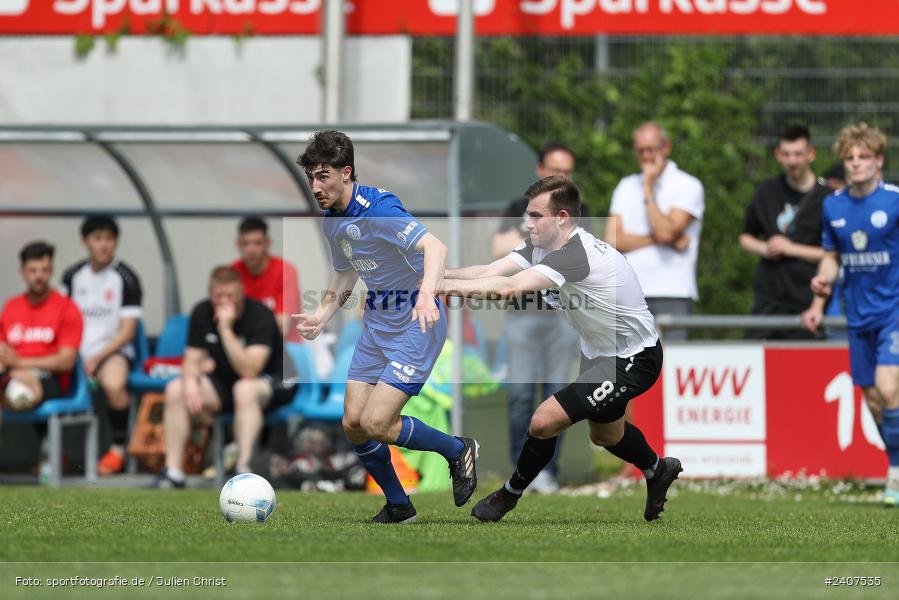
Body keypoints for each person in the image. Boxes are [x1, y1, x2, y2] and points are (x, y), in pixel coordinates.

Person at [441, 176, 682, 523]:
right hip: (600, 353)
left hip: (633, 359)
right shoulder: (541, 245)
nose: (528, 223)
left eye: (536, 215)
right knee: (606, 436)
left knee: (543, 421)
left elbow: (508, 288)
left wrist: (442, 287)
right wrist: (434, 273)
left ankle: (507, 496)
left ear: (563, 218)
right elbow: (490, 270)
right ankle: (657, 469)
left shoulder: (574, 254)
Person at [294, 129, 478, 524]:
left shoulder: (378, 209)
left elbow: (436, 248)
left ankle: (456, 448)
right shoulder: (332, 221)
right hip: (378, 324)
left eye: (323, 175)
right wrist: (322, 314)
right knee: (353, 424)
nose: (316, 186)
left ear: (347, 172)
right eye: (311, 177)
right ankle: (399, 505)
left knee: (378, 422)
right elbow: (345, 272)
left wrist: (427, 294)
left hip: (417, 322)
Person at [801, 123, 899, 507]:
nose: (856, 164)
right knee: (874, 398)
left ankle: (895, 474)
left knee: (889, 387)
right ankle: (895, 464)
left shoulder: (894, 201)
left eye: (863, 157)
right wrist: (821, 287)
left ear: (878, 161)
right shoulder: (834, 206)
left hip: (894, 309)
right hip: (857, 315)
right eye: (849, 158)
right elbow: (831, 256)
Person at [491, 142, 582, 493]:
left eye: (568, 171)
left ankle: (549, 473)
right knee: (520, 396)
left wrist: (530, 238)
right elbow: (498, 249)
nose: (561, 177)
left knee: (557, 397)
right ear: (539, 169)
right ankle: (520, 474)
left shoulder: (578, 208)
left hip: (563, 318)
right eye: (555, 169)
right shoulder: (519, 207)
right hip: (523, 315)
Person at [152, 266, 290, 488]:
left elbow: (250, 370)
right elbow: (191, 359)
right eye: (218, 296)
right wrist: (190, 381)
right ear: (210, 294)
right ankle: (173, 473)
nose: (224, 302)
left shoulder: (260, 315)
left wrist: (225, 329)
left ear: (241, 293)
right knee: (175, 389)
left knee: (244, 389)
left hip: (271, 381)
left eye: (230, 296)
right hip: (226, 382)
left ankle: (243, 471)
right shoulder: (202, 312)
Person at [605, 121, 704, 340]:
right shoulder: (625, 185)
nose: (647, 157)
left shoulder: (689, 185)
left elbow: (667, 233)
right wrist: (659, 238)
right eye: (641, 151)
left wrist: (648, 188)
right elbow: (612, 240)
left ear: (666, 147)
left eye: (652, 149)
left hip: (674, 292)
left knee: (670, 367)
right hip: (629, 294)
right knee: (632, 370)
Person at [61, 216, 143, 475]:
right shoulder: (72, 275)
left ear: (115, 242)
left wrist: (96, 358)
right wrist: (72, 354)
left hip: (112, 351)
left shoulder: (126, 277)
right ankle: (52, 453)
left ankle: (117, 450)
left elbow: (128, 330)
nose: (103, 245)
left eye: (108, 238)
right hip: (74, 352)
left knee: (113, 383)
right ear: (85, 242)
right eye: (97, 238)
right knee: (43, 381)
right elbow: (61, 318)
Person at [738, 124, 829, 340]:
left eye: (798, 154)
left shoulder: (828, 198)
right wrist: (764, 247)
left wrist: (791, 249)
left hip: (807, 302)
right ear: (778, 155)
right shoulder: (766, 191)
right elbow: (745, 237)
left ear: (811, 154)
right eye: (786, 154)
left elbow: (833, 254)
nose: (792, 161)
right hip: (767, 302)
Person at [0, 242, 83, 437]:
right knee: (15, 387)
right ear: (22, 272)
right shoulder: (11, 307)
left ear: (52, 271)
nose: (38, 276)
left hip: (48, 378)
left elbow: (67, 361)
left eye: (44, 270)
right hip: (12, 373)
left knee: (24, 389)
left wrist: (21, 363)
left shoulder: (67, 308)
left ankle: (8, 382)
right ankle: (8, 382)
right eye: (33, 270)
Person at [231, 216, 301, 342]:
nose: (251, 250)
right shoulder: (232, 273)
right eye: (245, 243)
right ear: (238, 245)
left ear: (268, 243)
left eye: (257, 243)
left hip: (285, 347)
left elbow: (282, 326)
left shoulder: (285, 271)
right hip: (245, 349)